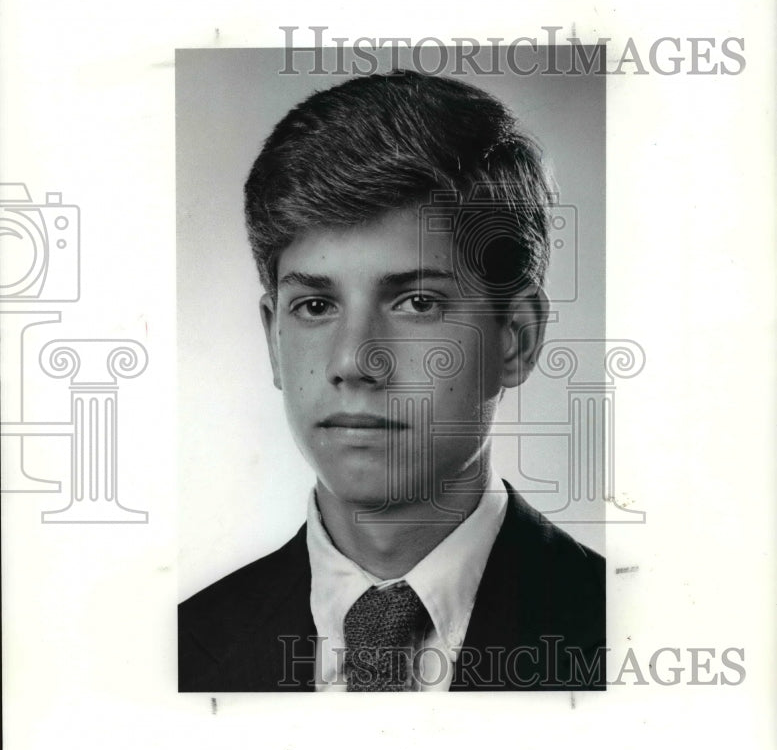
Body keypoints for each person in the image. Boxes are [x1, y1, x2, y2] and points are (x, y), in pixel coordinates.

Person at [178, 69, 605, 692]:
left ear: (515, 337)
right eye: (315, 307)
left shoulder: (625, 633)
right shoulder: (187, 647)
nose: (355, 360)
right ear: (274, 338)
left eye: (418, 302)